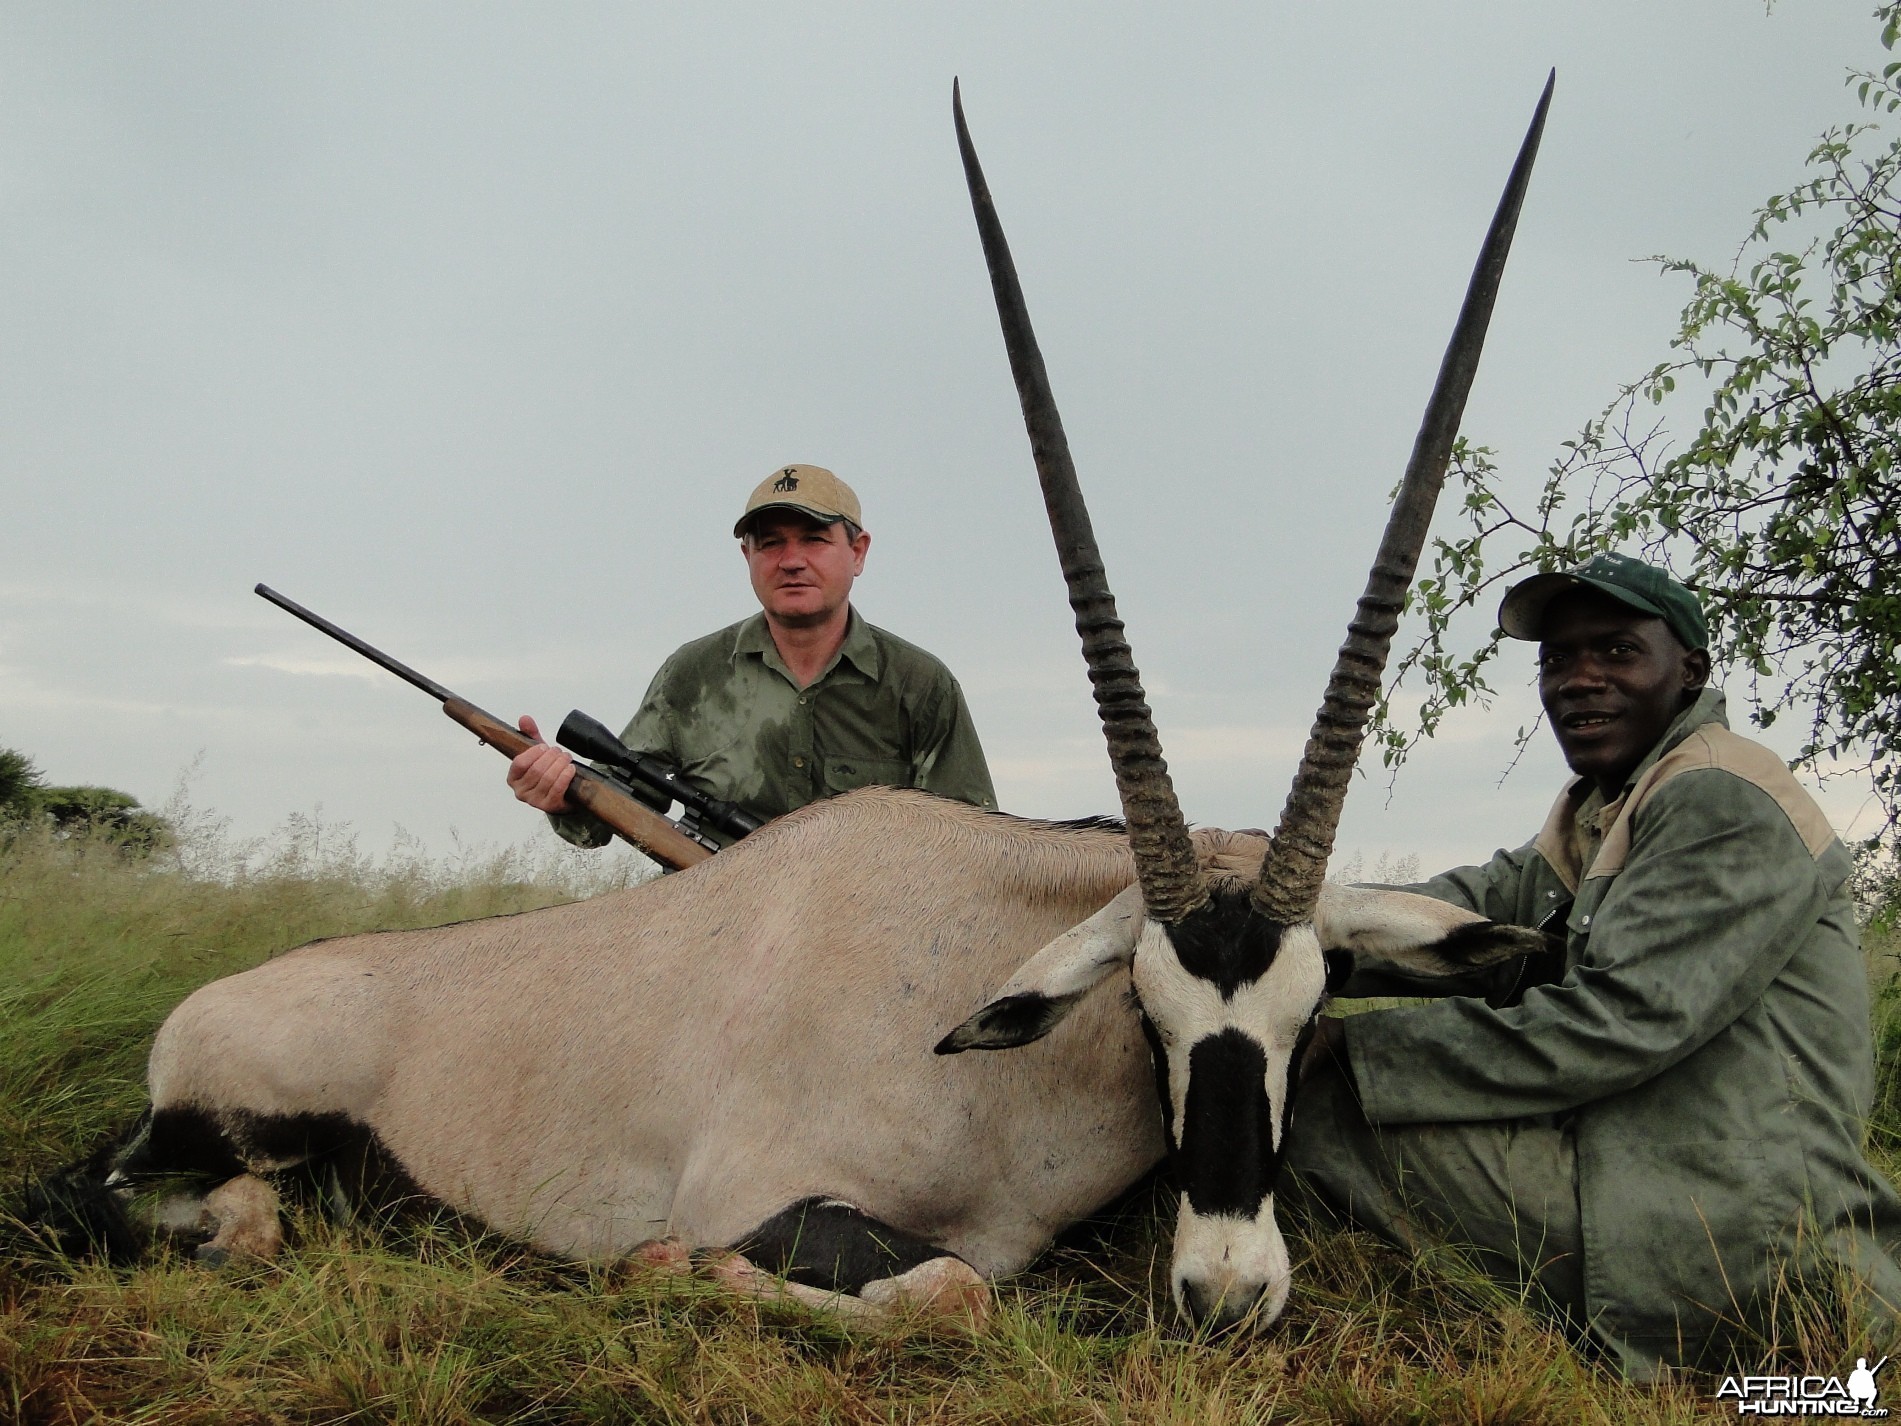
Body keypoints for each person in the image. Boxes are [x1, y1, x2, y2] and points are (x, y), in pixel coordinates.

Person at [1284, 552, 1901, 1379]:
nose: (1578, 680)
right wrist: (1290, 917)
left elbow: (1618, 1022)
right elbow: (1465, 911)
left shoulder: (1717, 796)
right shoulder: (1607, 808)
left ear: (1689, 671)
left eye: (1615, 651)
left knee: (1305, 1104)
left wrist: (1347, 1051)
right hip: (1640, 1160)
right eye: (1557, 660)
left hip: (1725, 1218)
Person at [507, 464, 995, 849]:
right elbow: (615, 813)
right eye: (771, 543)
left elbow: (972, 843)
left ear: (859, 552)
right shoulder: (692, 676)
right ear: (747, 557)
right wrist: (562, 795)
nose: (791, 560)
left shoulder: (920, 684)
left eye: (814, 539)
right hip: (712, 933)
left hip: (862, 941)